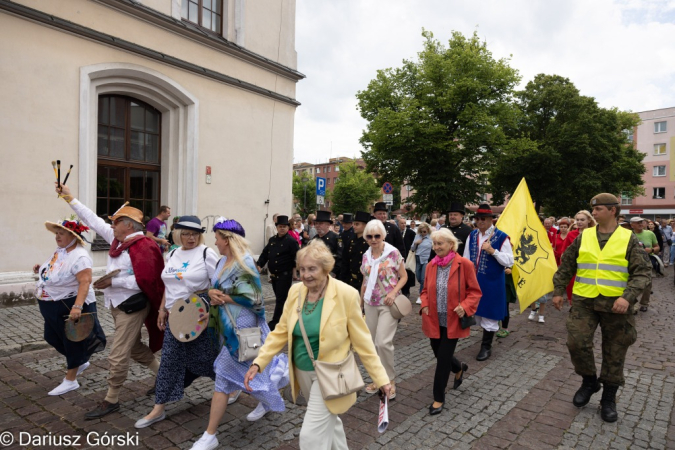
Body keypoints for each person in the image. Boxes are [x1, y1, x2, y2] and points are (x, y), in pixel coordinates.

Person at [244, 240, 391, 450]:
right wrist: (259, 363)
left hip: (331, 374)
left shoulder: (346, 295)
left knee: (310, 437)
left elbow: (364, 342)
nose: (305, 275)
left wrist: (381, 378)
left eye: (312, 269)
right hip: (303, 372)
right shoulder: (296, 293)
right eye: (302, 269)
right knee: (330, 421)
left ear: (326, 268)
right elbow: (281, 331)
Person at [57, 184, 164, 419]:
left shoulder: (144, 245)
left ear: (129, 225)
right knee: (134, 348)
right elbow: (93, 220)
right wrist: (70, 198)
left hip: (133, 305)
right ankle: (163, 375)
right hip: (117, 305)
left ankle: (112, 399)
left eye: (116, 222)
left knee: (118, 354)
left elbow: (145, 280)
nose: (111, 225)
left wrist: (113, 283)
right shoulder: (118, 240)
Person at [189, 218, 289, 450]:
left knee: (223, 374)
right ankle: (271, 385)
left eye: (217, 237)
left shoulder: (244, 262)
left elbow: (255, 298)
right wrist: (212, 305)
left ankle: (210, 435)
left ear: (227, 238)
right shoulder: (222, 260)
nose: (215, 241)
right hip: (225, 326)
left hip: (243, 327)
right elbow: (218, 290)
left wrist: (223, 298)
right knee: (248, 370)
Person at [552, 193, 651, 423]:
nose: (593, 213)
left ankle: (608, 397)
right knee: (576, 341)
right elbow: (567, 263)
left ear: (612, 211)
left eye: (598, 210)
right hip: (584, 300)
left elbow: (642, 273)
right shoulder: (584, 236)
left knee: (615, 350)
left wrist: (627, 297)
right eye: (592, 210)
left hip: (616, 304)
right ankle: (589, 381)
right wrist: (558, 291)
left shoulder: (628, 238)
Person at [135, 216, 220, 428]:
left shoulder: (206, 253)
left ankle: (231, 385)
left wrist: (214, 312)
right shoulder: (172, 253)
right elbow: (168, 286)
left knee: (206, 358)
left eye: (194, 234)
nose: (190, 238)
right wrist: (162, 309)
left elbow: (219, 285)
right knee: (169, 360)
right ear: (177, 234)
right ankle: (159, 408)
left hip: (197, 312)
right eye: (186, 233)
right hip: (175, 315)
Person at [33, 217, 106, 395]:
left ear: (73, 236)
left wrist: (77, 307)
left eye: (62, 233)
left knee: (72, 341)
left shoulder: (80, 256)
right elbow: (58, 269)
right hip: (51, 303)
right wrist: (42, 270)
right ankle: (80, 361)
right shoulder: (61, 251)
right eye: (56, 233)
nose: (57, 236)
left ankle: (71, 379)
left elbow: (85, 282)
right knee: (51, 336)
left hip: (69, 305)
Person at [420, 228, 481, 415]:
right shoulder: (431, 265)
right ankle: (459, 368)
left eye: (440, 243)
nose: (436, 247)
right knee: (439, 353)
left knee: (443, 360)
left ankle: (438, 398)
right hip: (434, 319)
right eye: (435, 244)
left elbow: (475, 292)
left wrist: (466, 306)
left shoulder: (465, 264)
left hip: (453, 319)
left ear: (451, 245)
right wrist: (424, 305)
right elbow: (424, 291)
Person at [360, 219, 407, 400]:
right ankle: (377, 379)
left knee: (383, 342)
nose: (373, 239)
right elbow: (365, 280)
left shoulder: (392, 253)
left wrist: (393, 293)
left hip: (388, 303)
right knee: (371, 344)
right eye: (369, 236)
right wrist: (359, 303)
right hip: (370, 302)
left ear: (383, 236)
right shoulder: (366, 255)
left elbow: (403, 277)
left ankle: (390, 380)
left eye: (377, 236)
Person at [463, 204, 514, 361]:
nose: (480, 221)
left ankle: (486, 346)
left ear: (491, 220)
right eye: (477, 219)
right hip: (474, 281)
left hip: (492, 282)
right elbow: (465, 257)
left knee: (490, 314)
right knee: (476, 311)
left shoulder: (501, 236)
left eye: (483, 219)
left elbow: (510, 261)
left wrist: (493, 251)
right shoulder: (472, 235)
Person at [257, 215, 299, 330]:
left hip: (284, 275)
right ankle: (287, 318)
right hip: (274, 276)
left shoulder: (291, 241)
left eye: (284, 227)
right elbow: (265, 253)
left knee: (281, 299)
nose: (282, 229)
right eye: (280, 226)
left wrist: (296, 271)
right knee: (281, 299)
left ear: (287, 228)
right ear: (276, 227)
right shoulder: (272, 240)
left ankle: (275, 322)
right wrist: (259, 264)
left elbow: (297, 257)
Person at [630, 217, 658, 314]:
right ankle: (632, 304)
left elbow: (657, 247)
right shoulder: (629, 234)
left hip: (647, 261)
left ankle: (644, 303)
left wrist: (652, 250)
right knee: (631, 283)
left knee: (647, 283)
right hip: (632, 262)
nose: (640, 224)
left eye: (641, 222)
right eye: (637, 223)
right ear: (632, 225)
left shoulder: (650, 233)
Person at [339, 211, 370, 291]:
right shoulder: (351, 240)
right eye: (354, 224)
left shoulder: (369, 242)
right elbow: (345, 261)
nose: (354, 226)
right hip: (351, 280)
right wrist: (343, 279)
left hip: (364, 281)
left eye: (357, 224)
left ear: (365, 225)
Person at [311, 210, 342, 276]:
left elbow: (339, 257)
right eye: (316, 223)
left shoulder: (335, 238)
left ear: (328, 225)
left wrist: (334, 272)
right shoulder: (315, 238)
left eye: (321, 223)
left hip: (330, 272)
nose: (318, 226)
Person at [411, 222, 433, 304]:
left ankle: (421, 295)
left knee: (423, 278)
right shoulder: (417, 236)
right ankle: (426, 288)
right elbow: (412, 248)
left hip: (426, 259)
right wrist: (416, 243)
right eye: (421, 231)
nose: (423, 233)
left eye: (424, 231)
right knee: (418, 277)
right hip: (418, 257)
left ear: (428, 230)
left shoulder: (431, 238)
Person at [398, 217, 416, 296]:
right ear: (398, 224)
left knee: (407, 273)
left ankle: (406, 292)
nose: (403, 225)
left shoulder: (410, 233)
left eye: (405, 223)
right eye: (402, 223)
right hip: (398, 256)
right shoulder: (397, 232)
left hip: (408, 256)